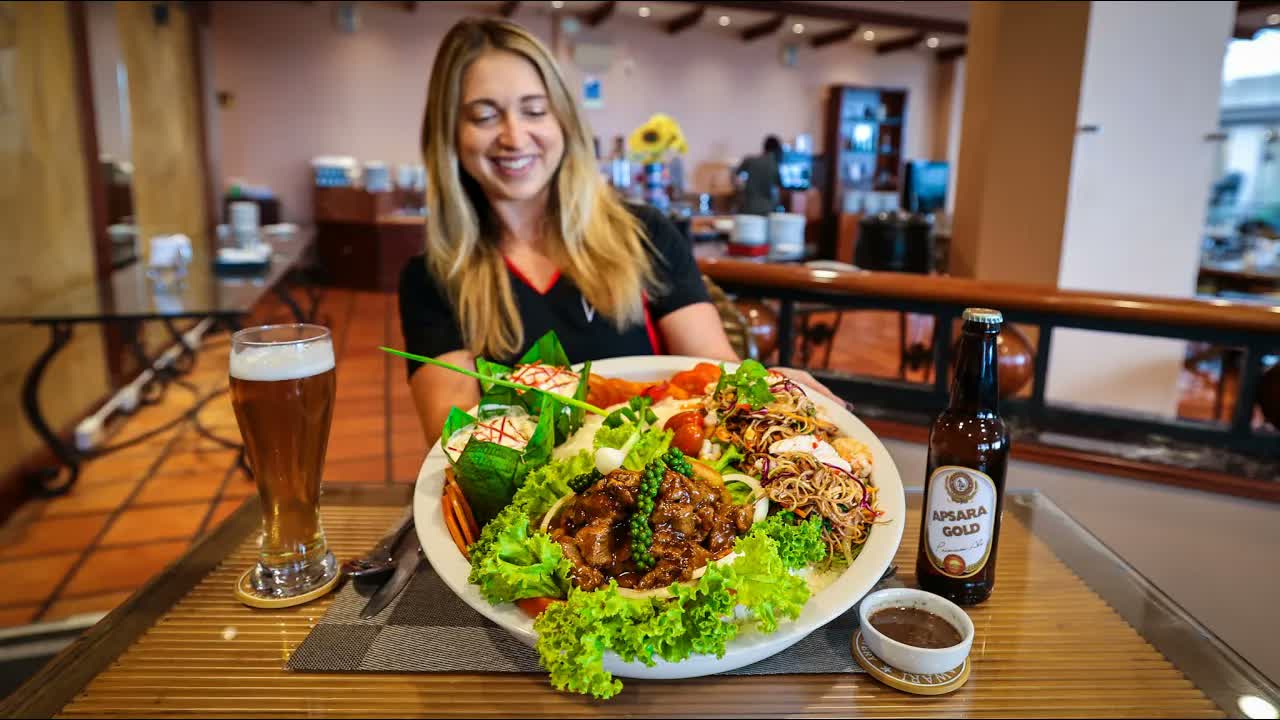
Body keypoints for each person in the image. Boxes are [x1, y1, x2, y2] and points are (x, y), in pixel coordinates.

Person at [399, 18, 835, 445]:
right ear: (450, 134)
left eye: (535, 110)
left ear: (564, 123)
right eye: (485, 116)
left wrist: (760, 384)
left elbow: (712, 367)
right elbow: (452, 438)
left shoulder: (644, 233)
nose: (514, 136)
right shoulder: (433, 278)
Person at [735, 135, 783, 215]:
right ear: (777, 149)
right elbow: (779, 187)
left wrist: (740, 187)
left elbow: (735, 175)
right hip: (767, 210)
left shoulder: (750, 160)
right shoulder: (775, 165)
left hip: (748, 208)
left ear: (764, 147)